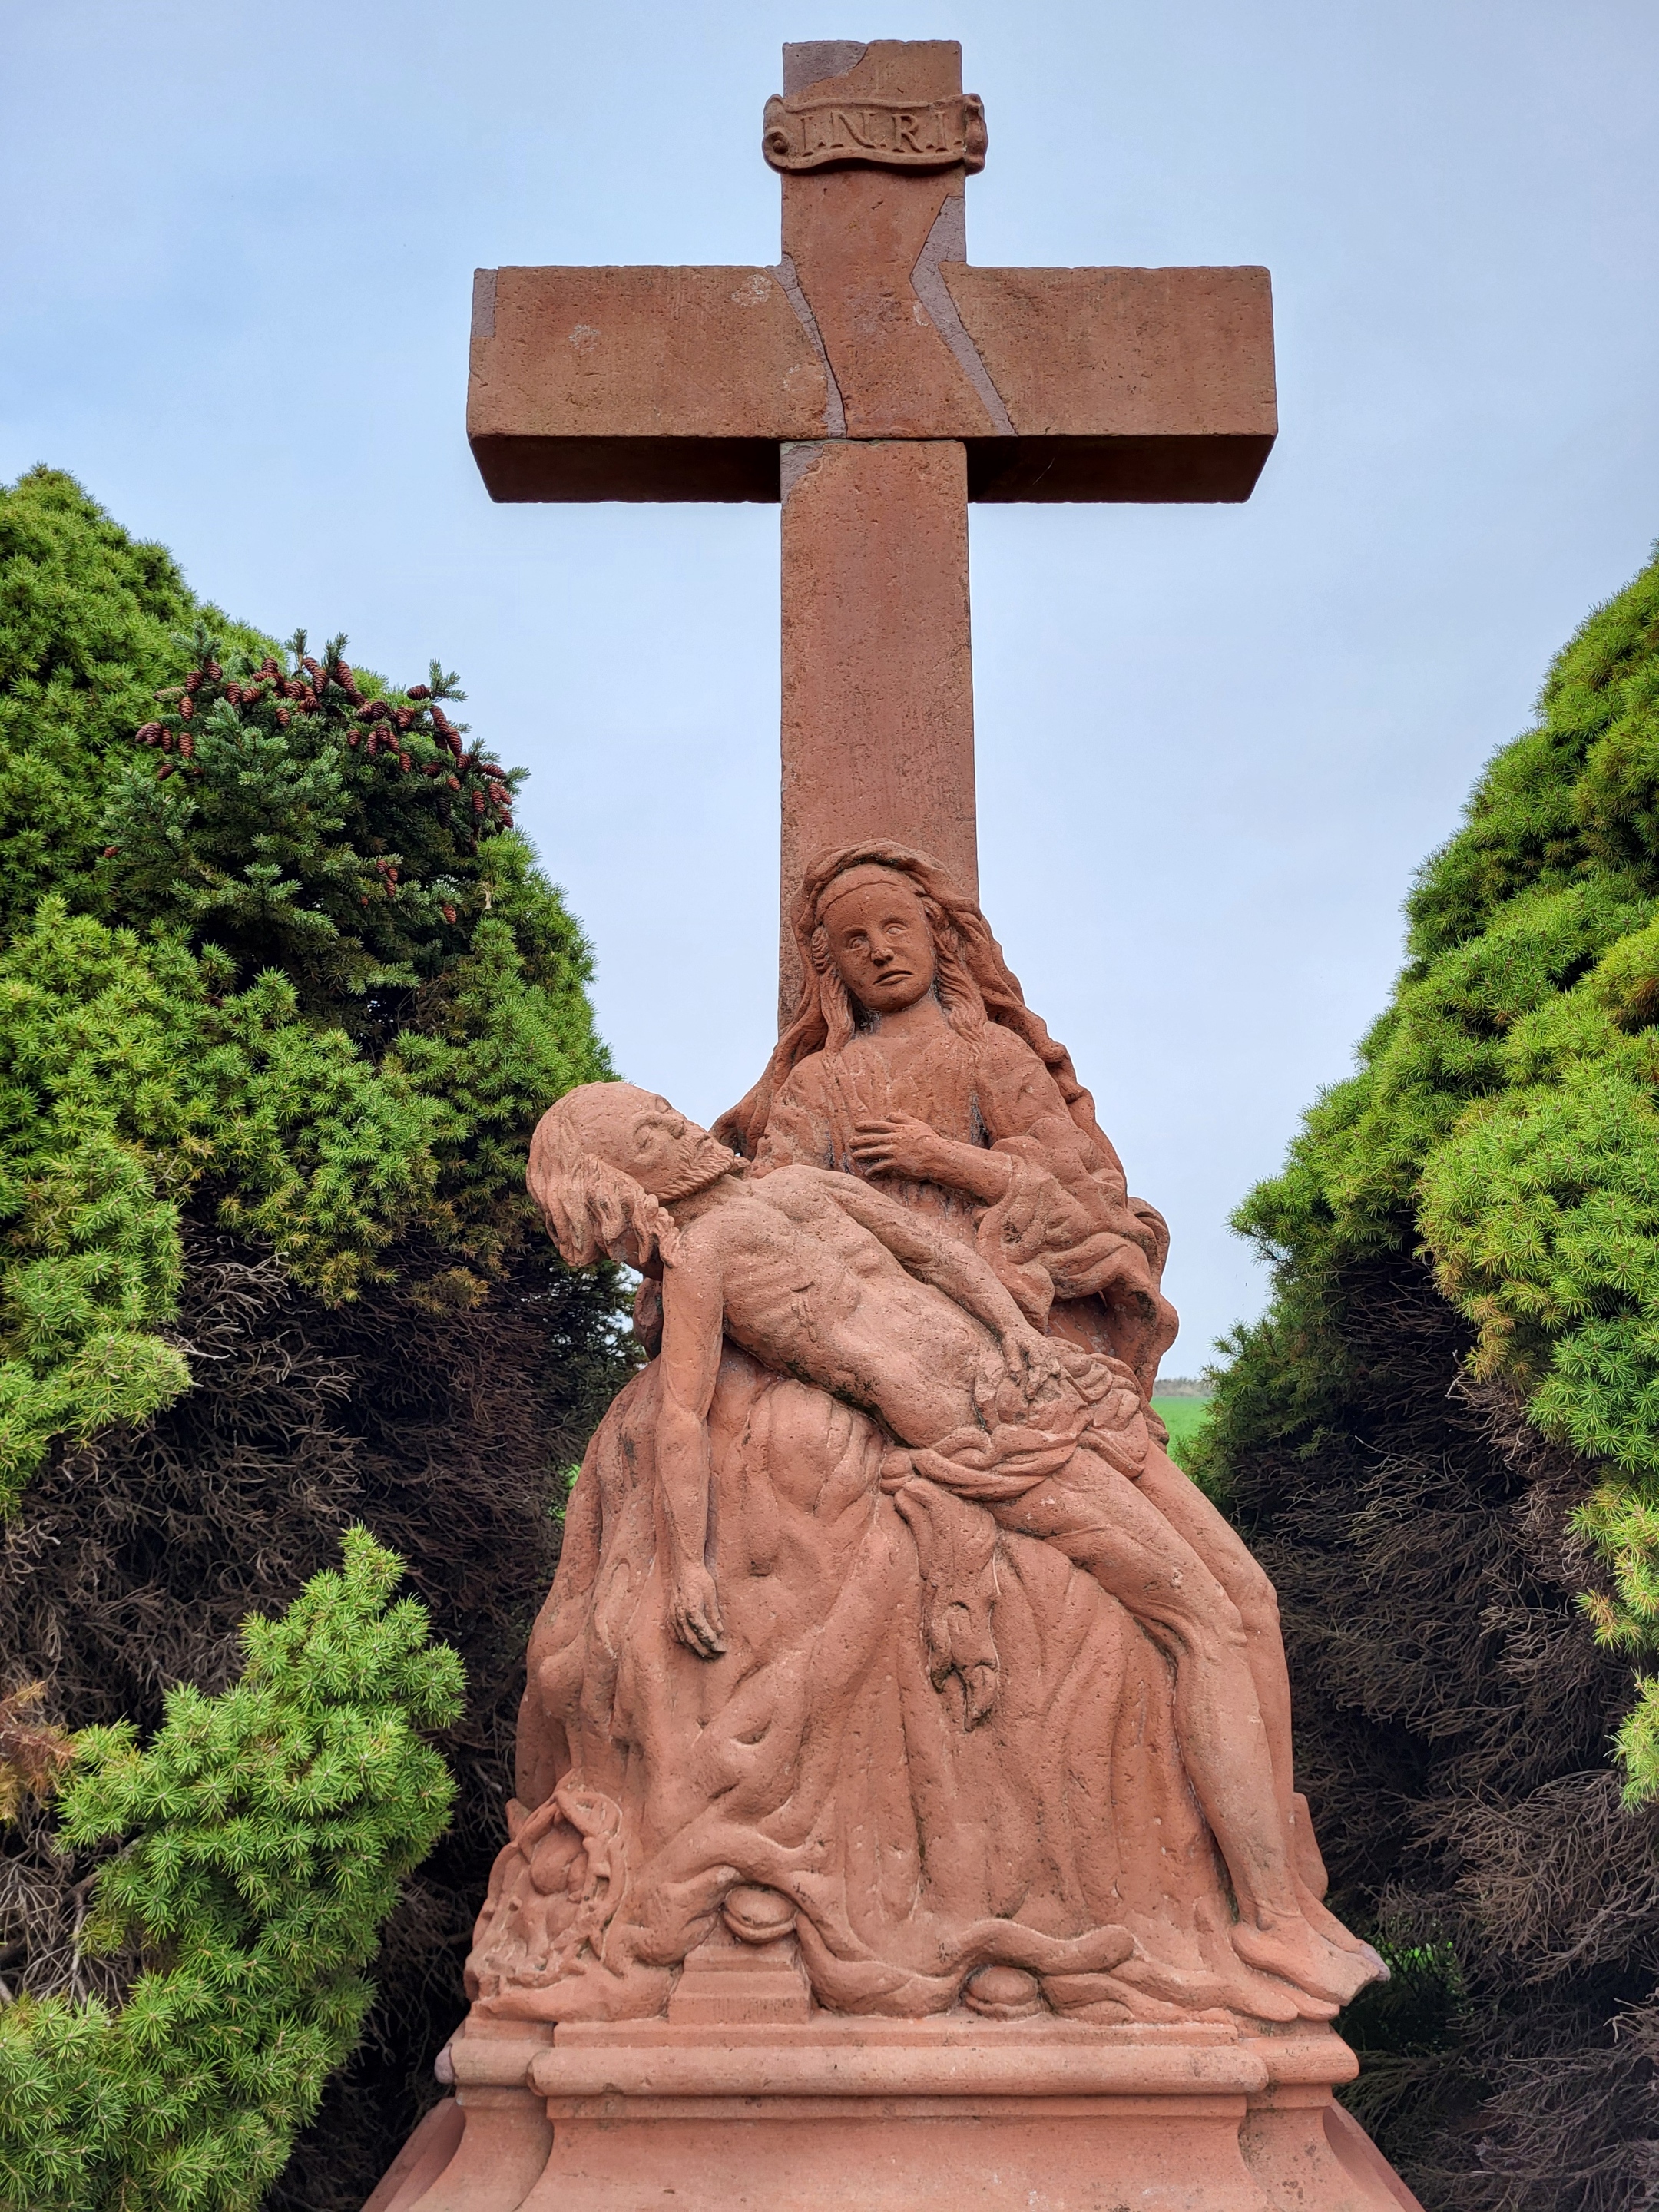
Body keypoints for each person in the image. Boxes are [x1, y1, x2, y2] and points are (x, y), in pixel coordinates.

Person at [528, 1079, 1381, 2012]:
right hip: (983, 1444)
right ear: (619, 1187)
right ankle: (1269, 1925)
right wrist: (688, 1560)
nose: (679, 1130)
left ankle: (1290, 1894)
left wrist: (1020, 1331)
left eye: (666, 1113)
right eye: (649, 1139)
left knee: (1250, 1598)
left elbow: (934, 1257)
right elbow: (682, 1421)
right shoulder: (703, 1263)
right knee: (1203, 1620)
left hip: (1042, 1390)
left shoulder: (797, 1191)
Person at [717, 840, 1347, 1951]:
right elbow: (771, 1199)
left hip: (1016, 1339)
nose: (878, 954)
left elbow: (1082, 1186)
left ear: (938, 938)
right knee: (1181, 1610)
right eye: (855, 944)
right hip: (911, 1361)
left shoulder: (987, 1055)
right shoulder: (818, 1084)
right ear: (833, 971)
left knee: (1234, 1609)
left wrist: (944, 1160)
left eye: (896, 931)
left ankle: (1273, 1902)